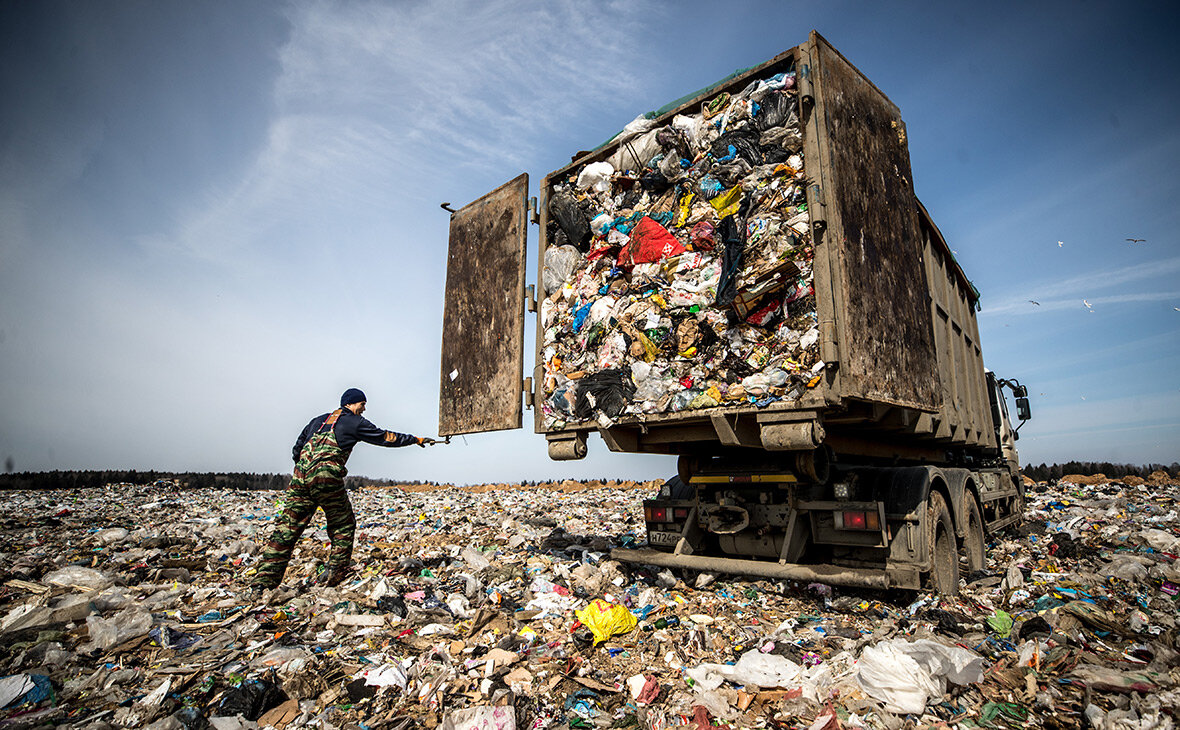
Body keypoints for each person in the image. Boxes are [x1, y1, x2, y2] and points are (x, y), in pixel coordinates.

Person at [252, 388, 425, 590]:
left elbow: (297, 450)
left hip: (300, 478)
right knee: (342, 524)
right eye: (362, 404)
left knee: (287, 529)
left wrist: (305, 470)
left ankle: (262, 584)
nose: (364, 408)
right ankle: (335, 573)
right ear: (350, 403)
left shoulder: (317, 421)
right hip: (326, 478)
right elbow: (385, 437)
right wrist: (415, 439)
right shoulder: (355, 422)